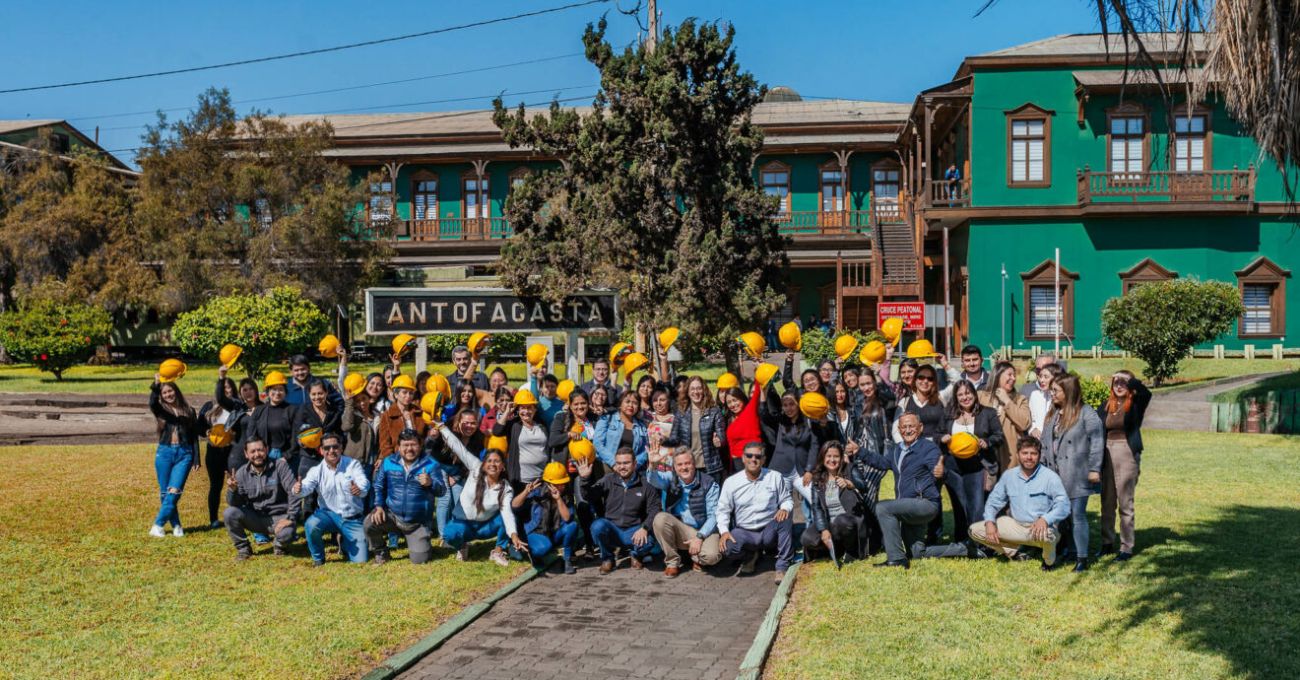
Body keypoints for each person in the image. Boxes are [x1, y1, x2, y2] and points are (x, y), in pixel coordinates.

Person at [969, 437, 1070, 570]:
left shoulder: (1050, 477)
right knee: (975, 530)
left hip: (1042, 529)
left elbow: (1064, 505)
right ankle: (1015, 553)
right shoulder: (1009, 476)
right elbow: (993, 502)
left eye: (1033, 454)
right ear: (1018, 455)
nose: (1029, 457)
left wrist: (1046, 519)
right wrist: (989, 522)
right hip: (1017, 526)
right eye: (1025, 453)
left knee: (1048, 536)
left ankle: (1048, 562)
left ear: (1039, 455)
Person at [856, 413, 943, 569]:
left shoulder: (928, 448)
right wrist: (859, 451)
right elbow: (882, 462)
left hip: (925, 504)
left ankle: (896, 559)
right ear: (899, 429)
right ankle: (964, 549)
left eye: (911, 426)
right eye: (904, 427)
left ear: (920, 428)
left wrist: (940, 472)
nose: (908, 430)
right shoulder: (898, 450)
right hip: (908, 507)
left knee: (882, 507)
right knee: (916, 552)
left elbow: (936, 467)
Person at [1040, 374, 1104, 572]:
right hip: (1054, 475)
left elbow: (1097, 442)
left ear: (1068, 391)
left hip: (1077, 475)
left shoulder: (1086, 413)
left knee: (1077, 515)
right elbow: (1044, 443)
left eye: (1056, 390)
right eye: (1051, 390)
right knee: (1055, 518)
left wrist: (1095, 469)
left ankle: (1081, 558)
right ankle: (1052, 556)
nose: (1052, 394)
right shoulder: (1053, 414)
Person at [436, 425, 526, 565]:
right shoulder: (476, 468)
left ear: (503, 466)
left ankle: (498, 551)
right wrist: (443, 428)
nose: (492, 464)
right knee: (449, 534)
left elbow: (507, 513)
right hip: (465, 523)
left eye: (497, 461)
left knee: (507, 516)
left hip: (486, 526)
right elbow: (459, 448)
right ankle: (462, 546)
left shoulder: (505, 488)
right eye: (489, 461)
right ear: (484, 464)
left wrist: (514, 535)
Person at [717, 441, 794, 582]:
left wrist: (784, 508)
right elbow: (723, 510)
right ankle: (750, 555)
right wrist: (724, 532)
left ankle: (782, 566)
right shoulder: (731, 482)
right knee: (727, 548)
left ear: (764, 460)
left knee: (785, 517)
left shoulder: (775, 476)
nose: (753, 459)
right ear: (743, 458)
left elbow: (787, 499)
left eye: (758, 456)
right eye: (749, 455)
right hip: (745, 531)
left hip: (769, 529)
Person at [937, 380, 1003, 544]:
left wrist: (987, 442)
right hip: (954, 465)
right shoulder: (948, 413)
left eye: (968, 393)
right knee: (958, 502)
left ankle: (978, 540)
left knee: (976, 504)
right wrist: (942, 438)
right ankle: (961, 538)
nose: (965, 397)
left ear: (974, 394)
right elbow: (937, 433)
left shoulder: (987, 413)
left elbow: (999, 436)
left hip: (977, 465)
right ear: (955, 397)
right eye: (960, 394)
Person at [366, 429, 443, 565]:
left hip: (417, 522)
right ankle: (381, 552)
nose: (409, 449)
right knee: (369, 523)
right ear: (399, 447)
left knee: (420, 559)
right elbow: (379, 486)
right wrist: (378, 506)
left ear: (420, 446)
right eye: (405, 445)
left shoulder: (431, 464)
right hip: (393, 516)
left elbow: (441, 491)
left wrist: (431, 483)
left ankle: (421, 541)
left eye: (413, 445)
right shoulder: (388, 462)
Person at [579, 447, 660, 574]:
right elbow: (589, 496)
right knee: (597, 526)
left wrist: (644, 528)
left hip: (634, 531)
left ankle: (635, 554)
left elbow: (655, 508)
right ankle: (608, 559)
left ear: (634, 464)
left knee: (649, 540)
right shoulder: (608, 479)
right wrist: (585, 480)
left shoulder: (645, 484)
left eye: (626, 463)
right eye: (619, 463)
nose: (622, 467)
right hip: (612, 530)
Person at [294, 432, 370, 566]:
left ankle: (345, 542)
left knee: (360, 561)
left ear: (341, 448)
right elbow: (305, 488)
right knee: (311, 525)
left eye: (335, 447)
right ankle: (318, 558)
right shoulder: (316, 470)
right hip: (328, 515)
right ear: (321, 450)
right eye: (327, 448)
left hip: (352, 518)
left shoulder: (353, 464)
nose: (331, 451)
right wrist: (298, 489)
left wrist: (360, 489)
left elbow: (364, 482)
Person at [1100, 370, 1152, 561]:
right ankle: (1107, 542)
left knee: (1125, 501)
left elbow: (1147, 393)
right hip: (1106, 451)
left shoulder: (1136, 404)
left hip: (1126, 450)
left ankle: (1126, 547)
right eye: (1116, 382)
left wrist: (1132, 380)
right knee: (1107, 501)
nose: (1119, 386)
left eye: (1123, 383)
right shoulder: (1106, 405)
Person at [647, 446, 722, 577]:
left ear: (694, 464)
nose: (684, 467)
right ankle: (672, 562)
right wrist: (653, 466)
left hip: (704, 530)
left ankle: (694, 558)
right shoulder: (671, 479)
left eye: (687, 463)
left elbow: (714, 516)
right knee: (660, 518)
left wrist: (700, 537)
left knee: (712, 557)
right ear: (674, 467)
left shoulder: (709, 483)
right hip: (682, 530)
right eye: (680, 464)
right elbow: (653, 481)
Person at [222, 438, 299, 559]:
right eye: (252, 451)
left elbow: (294, 491)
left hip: (280, 517)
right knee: (229, 513)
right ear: (246, 454)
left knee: (287, 533)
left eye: (260, 450)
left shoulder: (280, 466)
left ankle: (279, 546)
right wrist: (233, 490)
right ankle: (244, 549)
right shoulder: (241, 473)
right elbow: (234, 503)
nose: (257, 454)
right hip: (255, 518)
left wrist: (290, 517)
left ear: (267, 450)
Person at [800, 441, 872, 562]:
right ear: (823, 457)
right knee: (807, 538)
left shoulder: (850, 469)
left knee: (842, 522)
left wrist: (851, 484)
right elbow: (816, 507)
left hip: (850, 521)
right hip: (830, 524)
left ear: (841, 458)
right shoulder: (817, 478)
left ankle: (852, 550)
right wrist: (824, 529)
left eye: (836, 456)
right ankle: (837, 549)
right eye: (828, 456)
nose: (832, 460)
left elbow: (864, 486)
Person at [148, 375, 200, 538]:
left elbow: (194, 436)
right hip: (164, 452)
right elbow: (152, 403)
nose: (168, 394)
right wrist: (156, 387)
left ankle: (158, 524)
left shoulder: (189, 411)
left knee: (175, 490)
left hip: (184, 454)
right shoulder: (161, 410)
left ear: (175, 391)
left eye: (170, 391)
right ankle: (176, 525)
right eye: (164, 393)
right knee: (165, 492)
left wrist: (196, 458)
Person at [513, 462, 581, 574]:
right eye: (557, 484)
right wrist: (526, 492)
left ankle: (567, 560)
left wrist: (559, 499)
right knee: (544, 548)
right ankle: (529, 552)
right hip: (537, 532)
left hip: (554, 533)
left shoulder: (565, 494)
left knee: (573, 526)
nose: (561, 486)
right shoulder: (538, 492)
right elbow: (515, 506)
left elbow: (567, 518)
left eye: (563, 483)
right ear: (548, 483)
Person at [428, 408, 483, 540]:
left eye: (473, 423)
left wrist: (456, 477)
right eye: (466, 422)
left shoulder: (478, 439)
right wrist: (432, 437)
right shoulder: (448, 432)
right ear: (458, 422)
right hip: (438, 466)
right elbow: (431, 451)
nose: (469, 426)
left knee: (460, 499)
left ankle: (455, 530)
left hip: (458, 472)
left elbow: (471, 464)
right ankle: (443, 536)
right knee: (445, 499)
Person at [197, 376, 238, 529]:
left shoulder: (237, 406)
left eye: (229, 387)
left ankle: (237, 516)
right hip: (214, 451)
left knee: (236, 484)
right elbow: (198, 426)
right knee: (216, 485)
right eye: (223, 388)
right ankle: (213, 519)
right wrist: (207, 431)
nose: (227, 390)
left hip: (231, 450)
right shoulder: (209, 406)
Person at [492, 389, 553, 488]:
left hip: (542, 479)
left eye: (529, 408)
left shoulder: (542, 424)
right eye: (522, 408)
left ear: (535, 409)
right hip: (520, 480)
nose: (526, 411)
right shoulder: (514, 425)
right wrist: (507, 412)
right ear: (518, 410)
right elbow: (497, 431)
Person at [979, 362, 1032, 475]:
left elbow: (1024, 424)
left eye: (1014, 375)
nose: (1013, 378)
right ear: (998, 375)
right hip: (985, 456)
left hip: (1009, 457)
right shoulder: (981, 397)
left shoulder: (1020, 399)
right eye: (1009, 374)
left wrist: (1007, 400)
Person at [671, 376, 725, 480]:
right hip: (688, 468)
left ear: (704, 390)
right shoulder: (681, 413)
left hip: (710, 468)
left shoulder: (714, 411)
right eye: (692, 389)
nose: (696, 392)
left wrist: (719, 441)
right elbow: (674, 438)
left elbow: (721, 436)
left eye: (699, 388)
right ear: (687, 391)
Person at [214, 366, 262, 470]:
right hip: (238, 453)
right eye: (245, 390)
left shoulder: (264, 408)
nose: (248, 392)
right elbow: (221, 398)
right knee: (236, 485)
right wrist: (222, 377)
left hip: (259, 454)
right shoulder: (237, 407)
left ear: (256, 390)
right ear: (240, 392)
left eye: (251, 389)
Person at [594, 391, 649, 470]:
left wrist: (634, 465)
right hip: (607, 466)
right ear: (620, 404)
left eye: (635, 403)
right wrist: (614, 463)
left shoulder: (641, 426)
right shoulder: (607, 418)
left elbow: (645, 450)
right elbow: (598, 443)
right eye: (627, 401)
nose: (631, 405)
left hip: (630, 470)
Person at [340, 372, 381, 476]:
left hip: (373, 463)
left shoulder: (378, 416)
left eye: (364, 399)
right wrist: (349, 403)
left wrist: (381, 457)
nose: (362, 403)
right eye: (358, 401)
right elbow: (346, 427)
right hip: (354, 462)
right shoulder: (353, 415)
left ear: (370, 399)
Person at [378, 375, 426, 458]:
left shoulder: (419, 412)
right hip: (397, 460)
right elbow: (385, 445)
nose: (408, 396)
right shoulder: (387, 416)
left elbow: (425, 437)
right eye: (404, 392)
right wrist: (393, 462)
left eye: (411, 393)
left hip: (420, 458)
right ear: (396, 395)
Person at [1027, 363, 1061, 438]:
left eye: (1046, 377)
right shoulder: (1035, 395)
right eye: (1040, 376)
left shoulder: (1060, 398)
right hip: (1037, 441)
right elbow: (1031, 420)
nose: (1041, 380)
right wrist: (1033, 429)